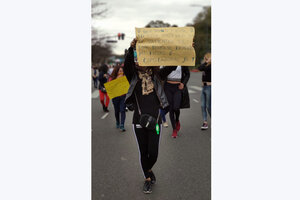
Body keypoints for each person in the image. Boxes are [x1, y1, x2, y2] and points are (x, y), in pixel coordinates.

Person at [124, 38, 177, 194]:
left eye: (143, 58)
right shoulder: (132, 77)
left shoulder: (157, 76)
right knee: (143, 151)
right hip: (138, 121)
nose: (140, 61)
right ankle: (147, 178)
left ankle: (149, 169)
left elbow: (172, 65)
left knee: (153, 152)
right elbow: (127, 65)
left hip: (156, 121)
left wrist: (184, 52)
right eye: (137, 59)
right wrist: (131, 48)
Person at [164, 65, 190, 138]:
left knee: (176, 107)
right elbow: (162, 73)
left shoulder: (182, 61)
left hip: (177, 87)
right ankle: (174, 130)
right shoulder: (167, 61)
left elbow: (187, 74)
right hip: (168, 87)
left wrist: (183, 83)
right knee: (171, 108)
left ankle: (177, 120)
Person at [110, 66, 126, 131]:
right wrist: (117, 80)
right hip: (115, 96)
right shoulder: (112, 78)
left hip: (123, 96)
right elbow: (111, 88)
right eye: (120, 71)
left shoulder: (125, 77)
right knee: (117, 111)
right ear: (116, 72)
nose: (121, 72)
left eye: (122, 71)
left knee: (122, 110)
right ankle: (117, 121)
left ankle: (122, 124)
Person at [198, 53, 211, 130]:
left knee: (209, 106)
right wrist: (206, 62)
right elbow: (200, 68)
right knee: (203, 106)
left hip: (210, 87)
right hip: (204, 87)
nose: (205, 60)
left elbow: (204, 68)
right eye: (204, 59)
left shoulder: (211, 66)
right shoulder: (205, 65)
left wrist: (207, 62)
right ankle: (205, 122)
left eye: (206, 58)